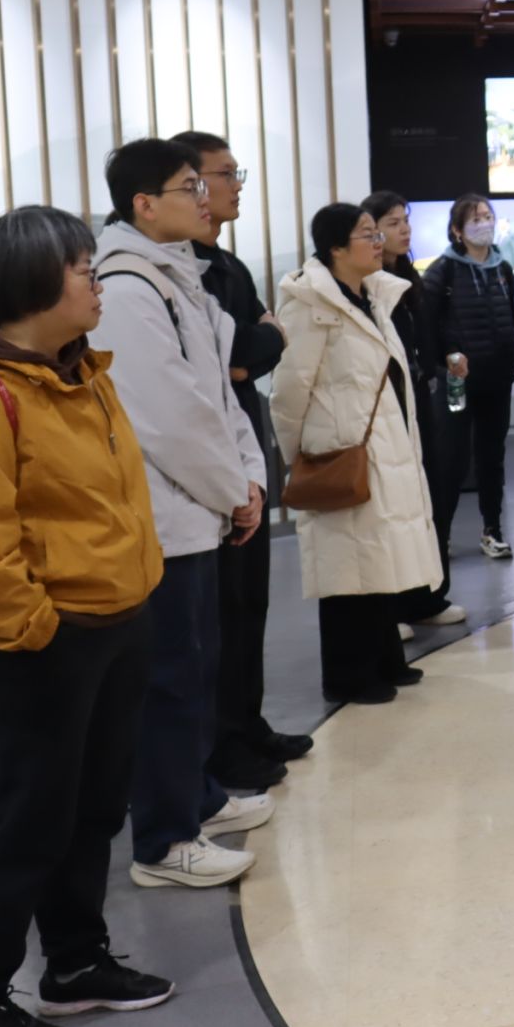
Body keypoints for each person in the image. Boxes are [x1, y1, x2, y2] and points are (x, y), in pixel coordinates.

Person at [0, 207, 174, 1027]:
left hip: (118, 621)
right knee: (23, 820)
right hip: (45, 641)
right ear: (29, 281)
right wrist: (33, 627)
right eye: (82, 269)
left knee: (94, 808)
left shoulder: (84, 373)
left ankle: (75, 959)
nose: (96, 282)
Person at [88, 139, 272, 890]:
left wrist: (248, 477)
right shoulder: (127, 287)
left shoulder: (177, 275)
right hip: (167, 515)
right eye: (190, 186)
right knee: (168, 678)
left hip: (202, 505)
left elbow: (220, 396)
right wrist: (233, 489)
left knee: (198, 667)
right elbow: (169, 417)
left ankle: (196, 796)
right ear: (143, 204)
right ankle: (163, 842)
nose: (206, 198)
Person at [174, 131, 312, 794]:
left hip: (246, 445)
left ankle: (247, 723)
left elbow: (266, 343)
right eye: (223, 174)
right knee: (217, 616)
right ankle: (219, 746)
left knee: (250, 602)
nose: (235, 186)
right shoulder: (179, 271)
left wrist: (254, 347)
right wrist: (250, 348)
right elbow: (225, 359)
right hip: (206, 464)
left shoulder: (228, 266)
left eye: (237, 173)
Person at [272, 204, 445, 705]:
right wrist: (302, 455)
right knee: (347, 566)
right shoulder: (310, 305)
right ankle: (348, 675)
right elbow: (289, 391)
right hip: (339, 450)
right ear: (336, 248)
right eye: (366, 234)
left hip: (384, 445)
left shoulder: (373, 296)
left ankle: (386, 657)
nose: (377, 242)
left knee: (378, 555)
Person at [363, 191, 464, 635]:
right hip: (384, 409)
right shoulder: (367, 283)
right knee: (394, 507)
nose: (404, 229)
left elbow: (430, 334)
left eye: (405, 220)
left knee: (431, 497)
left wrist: (448, 354)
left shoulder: (409, 277)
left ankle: (428, 596)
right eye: (392, 222)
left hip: (420, 402)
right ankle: (394, 609)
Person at [420, 194, 514, 580]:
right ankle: (441, 533)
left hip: (498, 377)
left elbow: (512, 315)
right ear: (457, 230)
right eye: (475, 219)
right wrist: (446, 355)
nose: (484, 223)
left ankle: (492, 528)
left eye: (487, 216)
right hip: (457, 381)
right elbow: (428, 325)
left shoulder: (503, 268)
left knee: (493, 457)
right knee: (453, 458)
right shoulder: (442, 271)